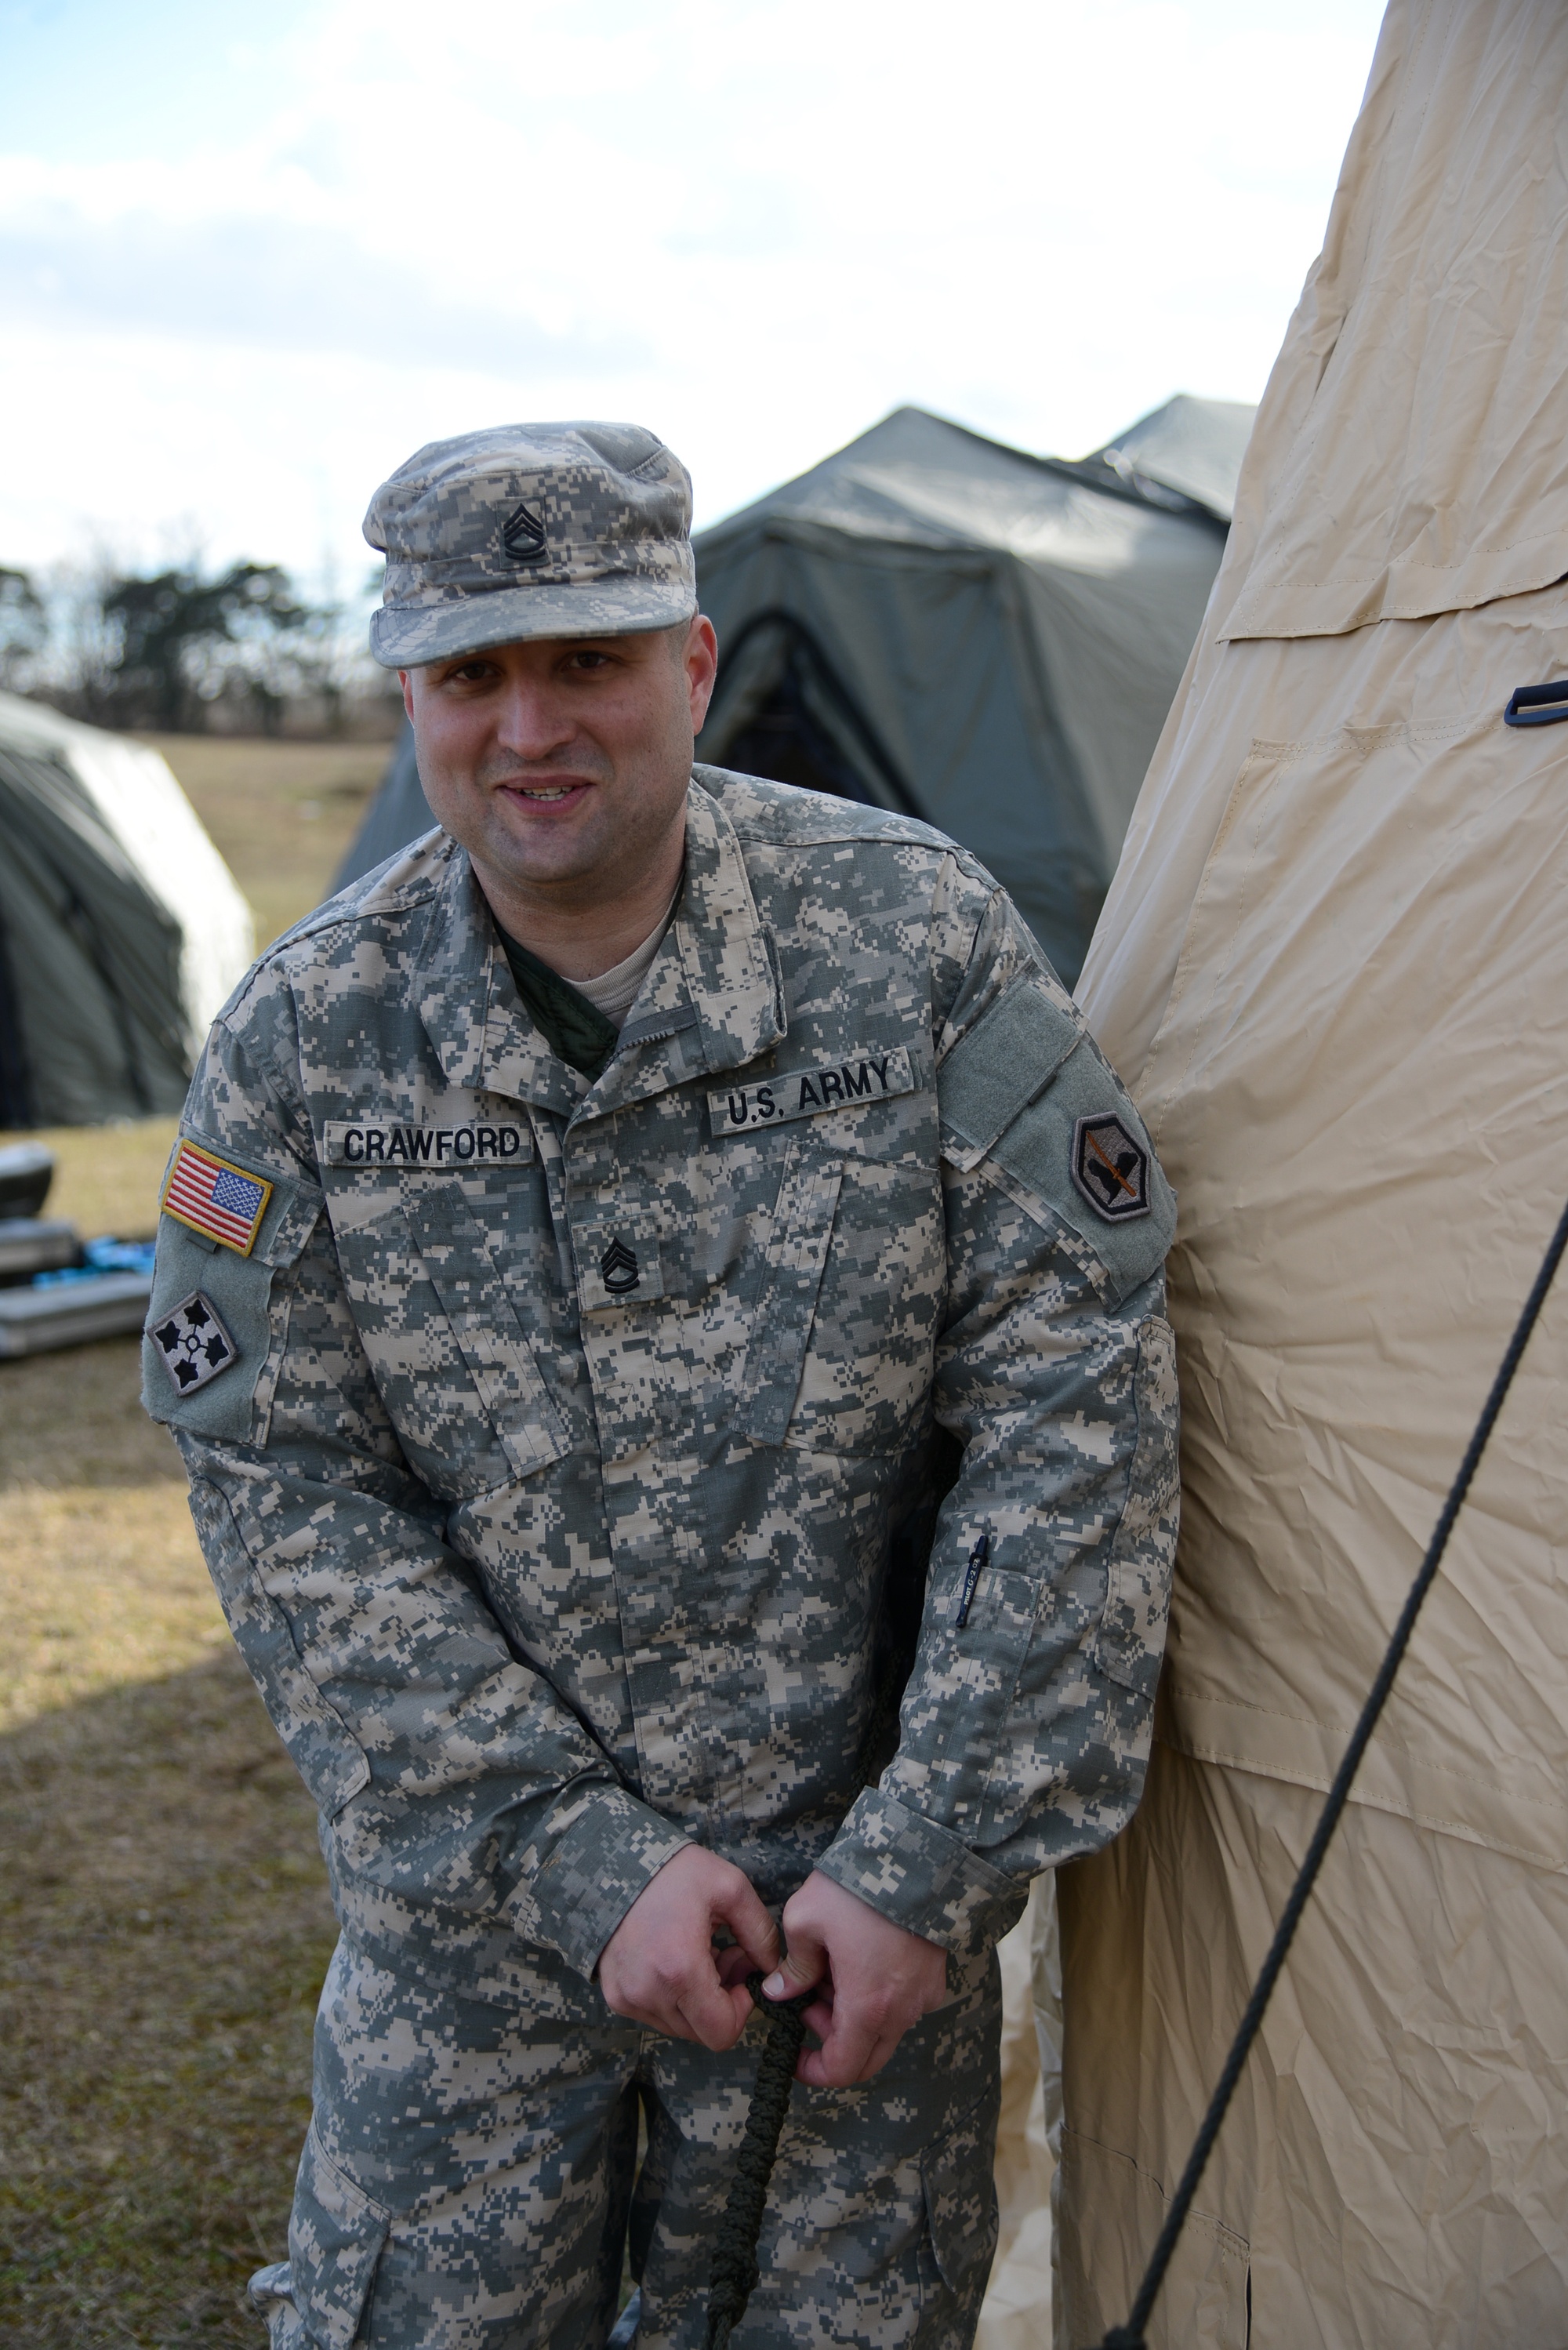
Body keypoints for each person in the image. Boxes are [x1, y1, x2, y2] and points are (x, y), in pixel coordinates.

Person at [142, 420, 1179, 2350]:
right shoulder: (304, 1037)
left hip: (852, 1940)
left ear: (690, 668)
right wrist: (575, 1853)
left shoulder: (912, 940)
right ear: (413, 695)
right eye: (472, 673)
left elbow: (1075, 1384)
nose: (528, 724)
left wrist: (932, 1857)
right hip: (481, 1941)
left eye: (587, 661)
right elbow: (282, 1485)